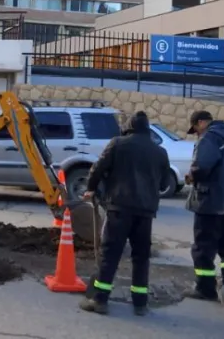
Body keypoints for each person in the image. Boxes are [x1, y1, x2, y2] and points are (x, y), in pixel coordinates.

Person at [79, 111, 171, 316]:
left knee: (110, 255)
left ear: (129, 127)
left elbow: (97, 168)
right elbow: (164, 184)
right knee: (141, 257)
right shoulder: (160, 152)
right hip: (146, 212)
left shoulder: (118, 143)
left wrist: (91, 188)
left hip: (120, 208)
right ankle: (140, 304)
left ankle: (100, 300)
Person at [183, 110, 224, 301]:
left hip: (210, 200)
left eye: (195, 128)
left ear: (201, 122)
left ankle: (205, 288)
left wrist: (191, 176)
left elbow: (202, 166)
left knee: (203, 245)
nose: (196, 133)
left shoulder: (209, 138)